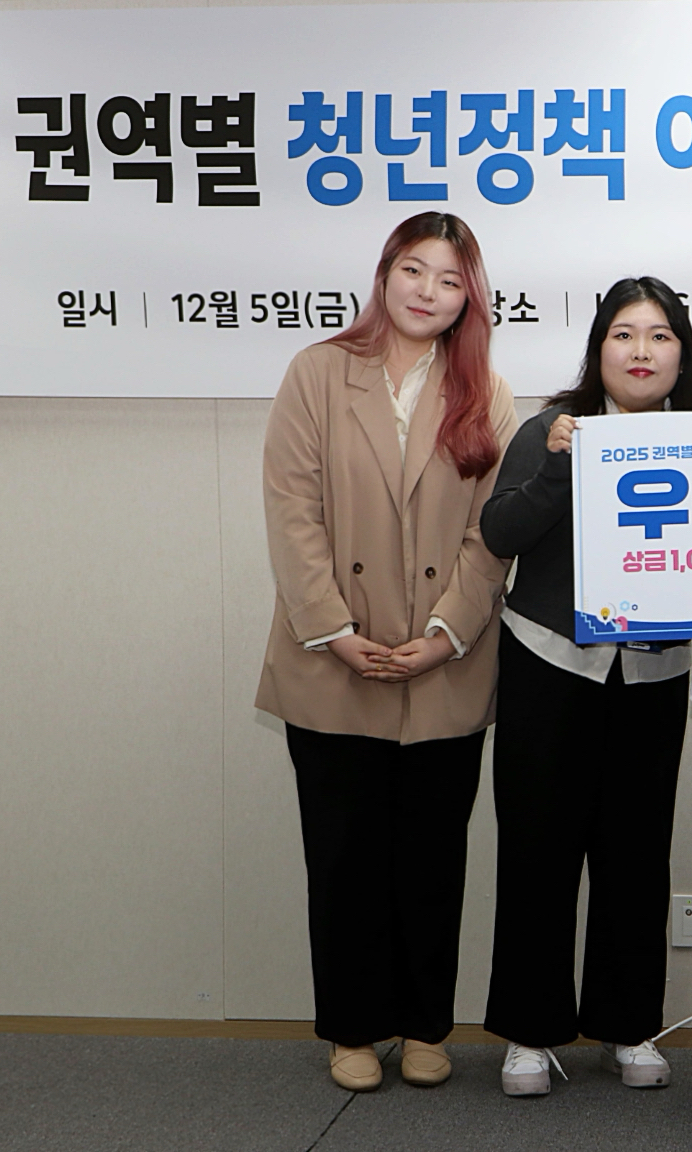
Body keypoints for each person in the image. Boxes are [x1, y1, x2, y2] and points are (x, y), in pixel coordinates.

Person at [255, 212, 518, 1094]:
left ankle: (424, 1024)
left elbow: (492, 535)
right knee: (343, 859)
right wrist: (332, 629)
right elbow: (292, 510)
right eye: (414, 270)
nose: (427, 292)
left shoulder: (488, 392)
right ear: (384, 273)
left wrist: (445, 634)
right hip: (332, 659)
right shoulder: (317, 372)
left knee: (433, 859)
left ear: (468, 298)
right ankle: (353, 1028)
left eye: (449, 280)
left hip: (444, 664)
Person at [478, 278, 692, 1097]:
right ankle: (529, 1033)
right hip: (549, 663)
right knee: (536, 848)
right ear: (598, 348)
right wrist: (559, 468)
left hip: (652, 673)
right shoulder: (553, 428)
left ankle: (628, 1024)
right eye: (623, 334)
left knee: (636, 851)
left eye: (660, 335)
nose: (642, 351)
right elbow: (498, 532)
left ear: (682, 354)